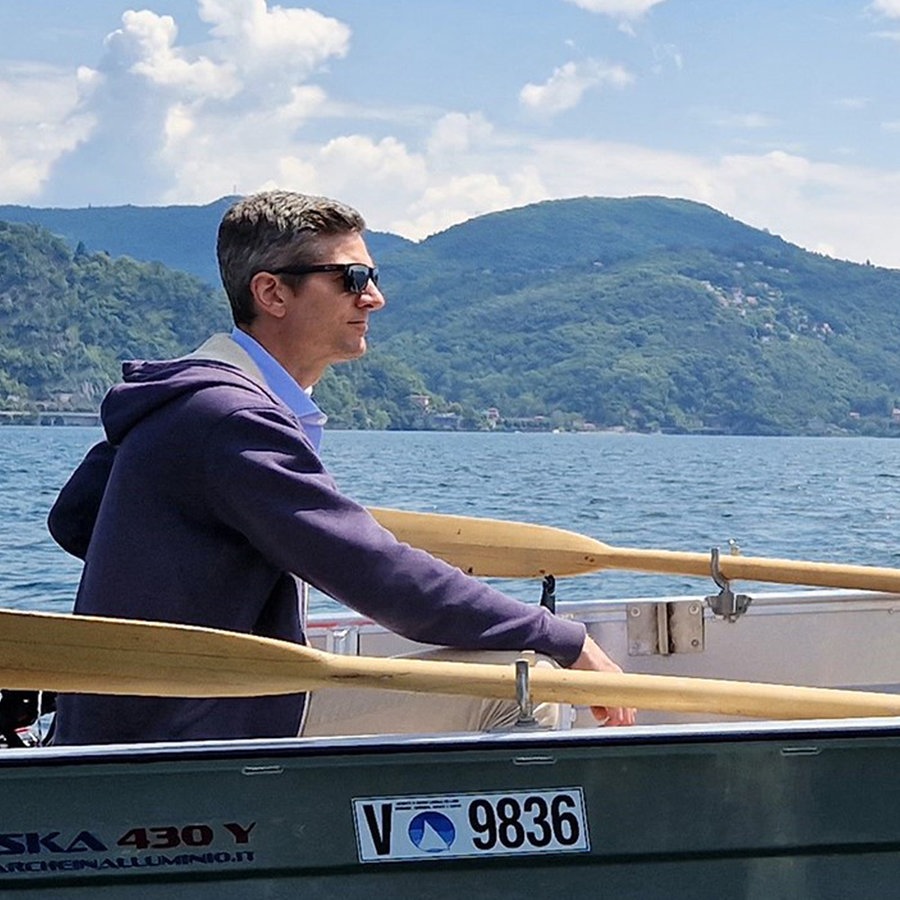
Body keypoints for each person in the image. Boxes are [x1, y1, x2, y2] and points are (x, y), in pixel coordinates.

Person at [47, 190, 635, 745]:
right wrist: (560, 637)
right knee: (527, 681)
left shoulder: (189, 397)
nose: (373, 297)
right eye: (351, 278)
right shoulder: (230, 419)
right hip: (196, 725)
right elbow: (380, 577)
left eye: (373, 277)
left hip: (150, 711)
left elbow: (74, 520)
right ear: (272, 294)